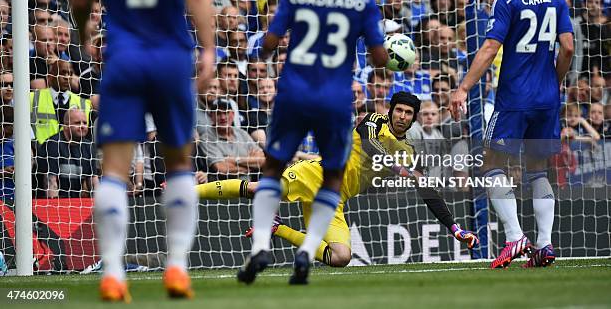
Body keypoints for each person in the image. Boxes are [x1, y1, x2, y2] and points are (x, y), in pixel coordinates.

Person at [71, 0, 215, 301]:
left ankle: (114, 272)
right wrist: (207, 48)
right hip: (171, 57)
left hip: (124, 58)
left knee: (115, 168)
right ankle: (176, 268)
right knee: (179, 162)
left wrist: (84, 32)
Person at [238, 0, 388, 286]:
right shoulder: (362, 0)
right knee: (332, 178)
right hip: (335, 99)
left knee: (272, 170)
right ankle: (306, 253)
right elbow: (381, 58)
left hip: (294, 93)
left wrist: (270, 45)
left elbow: (270, 43)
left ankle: (260, 245)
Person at [198, 93, 478, 267]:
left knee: (341, 257)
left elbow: (426, 190)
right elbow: (369, 144)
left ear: (414, 118)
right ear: (391, 110)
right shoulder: (374, 121)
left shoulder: (408, 152)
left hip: (336, 198)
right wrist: (396, 167)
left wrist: (455, 229)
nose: (402, 116)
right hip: (316, 173)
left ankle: (278, 228)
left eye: (408, 113)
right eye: (399, 110)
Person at [450, 0, 574, 269]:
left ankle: (515, 235)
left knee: (490, 164)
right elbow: (568, 49)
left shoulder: (507, 0)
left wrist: (463, 88)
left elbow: (490, 47)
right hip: (547, 100)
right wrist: (554, 82)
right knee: (537, 170)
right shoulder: (558, 1)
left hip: (514, 100)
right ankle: (545, 245)